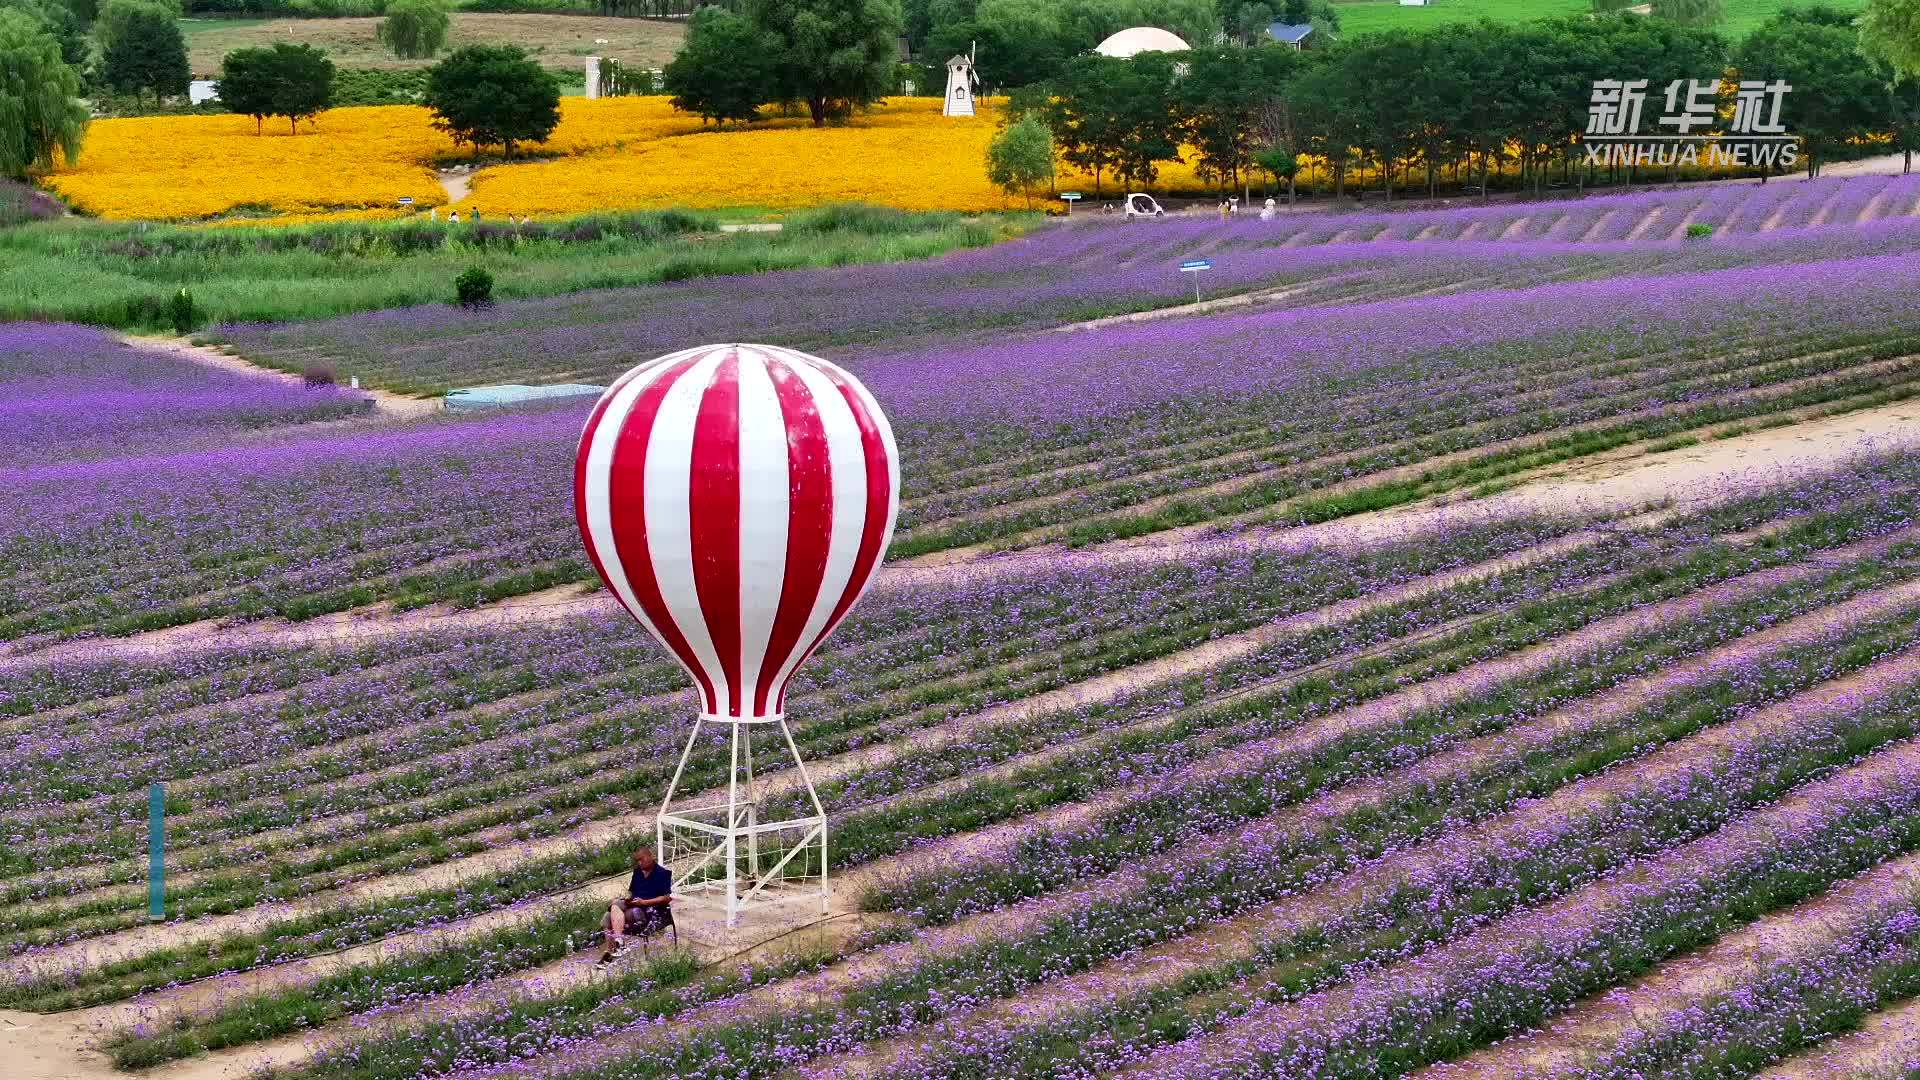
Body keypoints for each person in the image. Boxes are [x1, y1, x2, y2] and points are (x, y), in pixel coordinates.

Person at [601, 846, 672, 961]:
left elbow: (666, 898)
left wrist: (644, 902)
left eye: (641, 859)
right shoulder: (638, 872)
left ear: (651, 857)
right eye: (637, 860)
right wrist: (627, 899)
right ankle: (614, 948)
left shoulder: (663, 873)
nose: (639, 863)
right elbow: (631, 892)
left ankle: (614, 950)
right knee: (610, 911)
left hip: (649, 910)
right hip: (635, 904)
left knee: (612, 914)